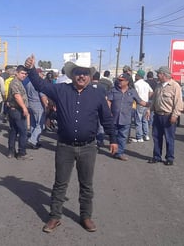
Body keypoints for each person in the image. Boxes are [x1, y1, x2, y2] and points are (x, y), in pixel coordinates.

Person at [24, 55, 118, 233]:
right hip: (65, 146)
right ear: (72, 75)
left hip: (88, 147)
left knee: (86, 185)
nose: (81, 76)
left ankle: (86, 216)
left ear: (90, 76)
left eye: (85, 73)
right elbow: (41, 86)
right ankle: (55, 217)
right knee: (60, 183)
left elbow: (106, 118)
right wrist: (31, 70)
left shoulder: (98, 94)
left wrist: (113, 139)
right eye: (78, 73)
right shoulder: (61, 90)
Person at [107, 73, 148, 160]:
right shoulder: (113, 90)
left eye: (121, 80)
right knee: (114, 135)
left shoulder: (132, 91)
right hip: (114, 118)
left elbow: (140, 101)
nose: (119, 82)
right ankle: (115, 150)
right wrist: (108, 112)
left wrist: (151, 105)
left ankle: (119, 153)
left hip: (126, 119)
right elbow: (109, 102)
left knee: (123, 137)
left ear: (127, 82)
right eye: (119, 80)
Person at [148, 66, 183, 166]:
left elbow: (179, 103)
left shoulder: (175, 86)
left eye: (158, 73)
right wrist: (149, 110)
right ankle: (156, 156)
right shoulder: (158, 85)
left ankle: (169, 158)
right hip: (158, 115)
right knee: (156, 137)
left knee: (169, 138)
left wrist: (175, 115)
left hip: (168, 116)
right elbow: (154, 100)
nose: (157, 75)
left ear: (163, 75)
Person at [6, 65, 32, 160]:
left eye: (25, 74)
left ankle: (11, 152)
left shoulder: (18, 82)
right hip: (17, 110)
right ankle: (22, 153)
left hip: (14, 109)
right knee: (23, 131)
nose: (24, 75)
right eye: (22, 73)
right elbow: (17, 96)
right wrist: (24, 108)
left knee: (13, 130)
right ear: (16, 73)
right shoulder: (15, 83)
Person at [25, 68, 48, 149]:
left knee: (33, 124)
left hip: (30, 105)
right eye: (41, 73)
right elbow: (43, 96)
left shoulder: (28, 83)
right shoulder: (39, 84)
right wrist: (46, 106)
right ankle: (33, 140)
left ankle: (35, 141)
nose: (42, 75)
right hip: (38, 105)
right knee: (40, 125)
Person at [133, 69, 153, 142]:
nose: (135, 76)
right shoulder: (146, 84)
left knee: (138, 120)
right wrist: (147, 97)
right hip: (146, 103)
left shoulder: (136, 84)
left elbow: (134, 94)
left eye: (136, 75)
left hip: (139, 103)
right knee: (145, 120)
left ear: (138, 76)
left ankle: (139, 137)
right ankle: (146, 135)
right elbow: (151, 91)